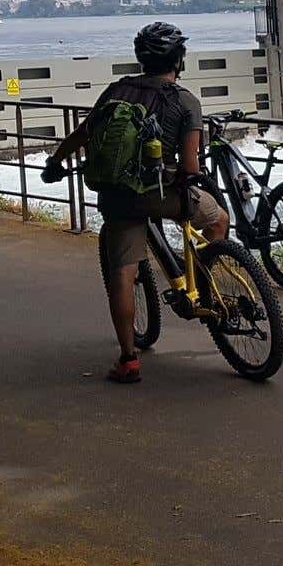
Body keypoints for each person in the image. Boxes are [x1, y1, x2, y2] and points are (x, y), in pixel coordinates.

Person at [42, 22, 229, 384]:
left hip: (119, 198)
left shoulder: (117, 91)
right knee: (218, 219)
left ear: (141, 58)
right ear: (179, 60)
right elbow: (190, 167)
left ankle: (128, 360)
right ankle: (204, 283)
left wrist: (55, 162)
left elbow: (84, 133)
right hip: (166, 196)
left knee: (123, 275)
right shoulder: (186, 101)